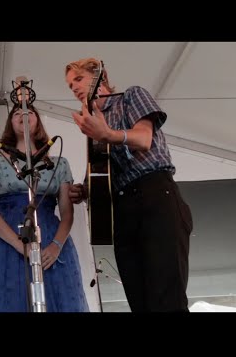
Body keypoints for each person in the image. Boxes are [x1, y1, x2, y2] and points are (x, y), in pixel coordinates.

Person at [65, 58, 193, 312]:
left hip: (155, 195)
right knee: (140, 301)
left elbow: (144, 139)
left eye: (78, 79)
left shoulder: (130, 97)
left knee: (167, 298)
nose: (74, 88)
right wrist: (84, 190)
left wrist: (107, 134)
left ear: (99, 77)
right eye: (70, 86)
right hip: (122, 210)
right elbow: (103, 174)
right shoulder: (94, 123)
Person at [0, 103, 89, 312]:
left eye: (29, 112)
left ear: (38, 120)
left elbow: (67, 213)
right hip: (8, 242)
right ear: (10, 122)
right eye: (17, 112)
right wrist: (21, 246)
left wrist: (56, 245)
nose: (23, 115)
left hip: (51, 242)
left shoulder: (59, 163)